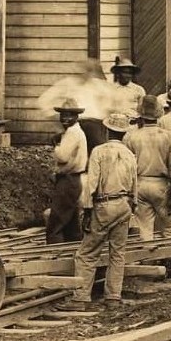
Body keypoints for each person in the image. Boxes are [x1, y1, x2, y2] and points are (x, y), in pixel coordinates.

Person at [71, 111, 137, 305]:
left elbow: (91, 185)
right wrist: (132, 206)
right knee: (117, 253)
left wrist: (87, 211)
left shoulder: (99, 152)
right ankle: (113, 296)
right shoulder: (130, 154)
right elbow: (135, 184)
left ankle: (81, 297)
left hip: (104, 204)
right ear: (124, 133)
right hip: (124, 204)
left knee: (87, 254)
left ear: (106, 130)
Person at [124, 94, 171, 240]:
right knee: (170, 227)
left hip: (140, 184)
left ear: (141, 116)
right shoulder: (168, 136)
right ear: (159, 114)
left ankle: (149, 258)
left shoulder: (131, 137)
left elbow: (128, 168)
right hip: (162, 185)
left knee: (145, 228)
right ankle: (170, 259)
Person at [48, 97, 88, 243]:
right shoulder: (75, 131)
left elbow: (63, 157)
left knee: (56, 221)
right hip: (74, 180)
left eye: (69, 115)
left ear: (76, 116)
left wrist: (56, 146)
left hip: (68, 179)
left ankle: (53, 254)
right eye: (63, 115)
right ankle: (73, 250)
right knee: (71, 222)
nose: (65, 118)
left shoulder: (72, 132)